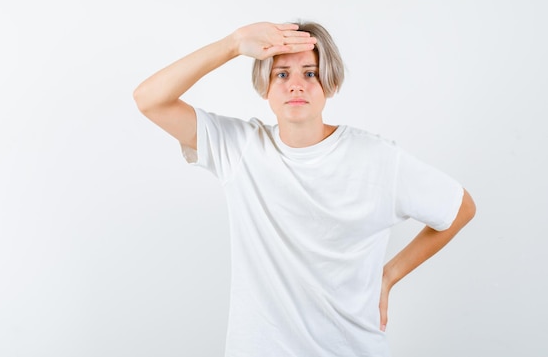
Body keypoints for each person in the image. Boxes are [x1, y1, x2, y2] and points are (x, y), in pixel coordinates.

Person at [133, 21, 476, 357]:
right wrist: (234, 43)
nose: (296, 85)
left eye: (310, 73)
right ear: (264, 86)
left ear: (329, 83)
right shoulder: (239, 149)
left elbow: (460, 208)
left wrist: (388, 276)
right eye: (282, 74)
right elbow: (150, 99)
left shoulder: (377, 159)